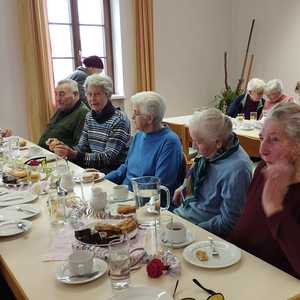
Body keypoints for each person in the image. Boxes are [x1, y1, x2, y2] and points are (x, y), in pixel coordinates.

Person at [229, 102, 300, 279]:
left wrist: (275, 208)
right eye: (262, 138)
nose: (262, 151)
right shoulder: (263, 169)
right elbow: (247, 226)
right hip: (238, 267)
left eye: (274, 139)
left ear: (298, 146)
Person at [173, 108, 252, 238]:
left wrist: (195, 231)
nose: (194, 146)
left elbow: (229, 222)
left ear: (218, 143)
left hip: (203, 231)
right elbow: (198, 175)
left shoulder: (238, 170)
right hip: (185, 214)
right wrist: (184, 186)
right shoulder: (211, 151)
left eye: (198, 141)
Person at [105, 91, 183, 206]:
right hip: (125, 195)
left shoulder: (169, 142)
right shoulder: (139, 135)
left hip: (146, 203)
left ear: (149, 118)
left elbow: (160, 186)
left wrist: (128, 202)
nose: (132, 117)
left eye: (136, 113)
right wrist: (103, 180)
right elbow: (126, 168)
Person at [54, 74, 130, 173]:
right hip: (93, 170)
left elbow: (108, 158)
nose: (92, 98)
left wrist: (74, 154)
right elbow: (82, 146)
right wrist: (65, 149)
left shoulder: (119, 120)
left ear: (108, 95)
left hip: (113, 173)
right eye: (89, 94)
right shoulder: (90, 116)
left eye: (97, 94)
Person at [38, 79, 89, 150]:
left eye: (62, 94)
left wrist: (60, 146)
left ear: (75, 94)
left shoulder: (83, 113)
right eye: (56, 94)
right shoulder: (63, 108)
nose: (58, 99)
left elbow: (80, 148)